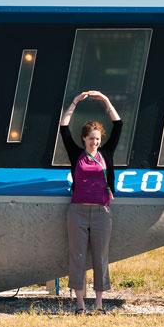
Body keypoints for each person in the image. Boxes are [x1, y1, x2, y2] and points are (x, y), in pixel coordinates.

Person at [59, 91, 122, 315]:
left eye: (98, 138)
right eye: (91, 138)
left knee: (100, 257)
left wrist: (105, 100)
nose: (95, 142)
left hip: (102, 211)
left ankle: (98, 304)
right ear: (84, 138)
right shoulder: (76, 154)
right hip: (77, 211)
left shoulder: (106, 153)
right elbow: (63, 127)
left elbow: (118, 124)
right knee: (77, 256)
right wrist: (75, 102)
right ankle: (79, 304)